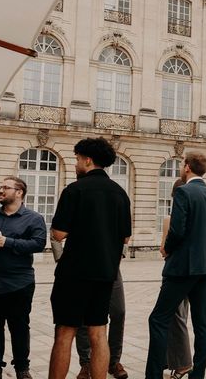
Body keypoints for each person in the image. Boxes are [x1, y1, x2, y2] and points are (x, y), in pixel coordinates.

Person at [48, 138, 131, 379]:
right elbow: (125, 238)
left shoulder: (75, 190)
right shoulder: (120, 194)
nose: (75, 164)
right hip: (106, 272)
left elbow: (59, 233)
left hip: (74, 273)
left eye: (76, 159)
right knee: (98, 332)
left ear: (87, 160)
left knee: (65, 332)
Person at [145, 152, 206, 379]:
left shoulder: (183, 192)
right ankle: (197, 375)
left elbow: (176, 230)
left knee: (158, 318)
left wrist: (168, 248)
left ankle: (153, 375)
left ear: (187, 167)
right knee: (202, 323)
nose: (181, 168)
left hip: (182, 267)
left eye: (182, 164)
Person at [0, 176, 46, 379]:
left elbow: (38, 244)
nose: (1, 190)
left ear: (19, 192)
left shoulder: (33, 218)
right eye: (0, 187)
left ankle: (22, 368)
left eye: (6, 187)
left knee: (19, 327)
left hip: (19, 283)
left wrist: (9, 242)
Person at [160, 179, 192, 379]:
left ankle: (183, 364)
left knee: (173, 316)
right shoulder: (196, 218)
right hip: (195, 272)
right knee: (182, 314)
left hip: (174, 271)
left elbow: (164, 250)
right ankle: (171, 359)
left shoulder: (169, 219)